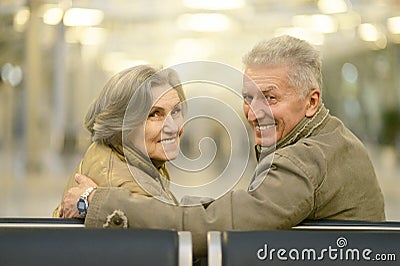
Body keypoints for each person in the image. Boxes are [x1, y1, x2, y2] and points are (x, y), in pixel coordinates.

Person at [61, 35, 385, 256]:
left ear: (311, 102)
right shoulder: (331, 136)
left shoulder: (307, 160)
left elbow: (212, 228)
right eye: (249, 97)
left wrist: (94, 202)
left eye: (270, 98)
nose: (254, 113)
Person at [55, 65, 186, 218]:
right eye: (155, 114)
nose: (173, 127)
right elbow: (173, 224)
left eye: (176, 111)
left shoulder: (114, 154)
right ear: (121, 124)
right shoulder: (127, 187)